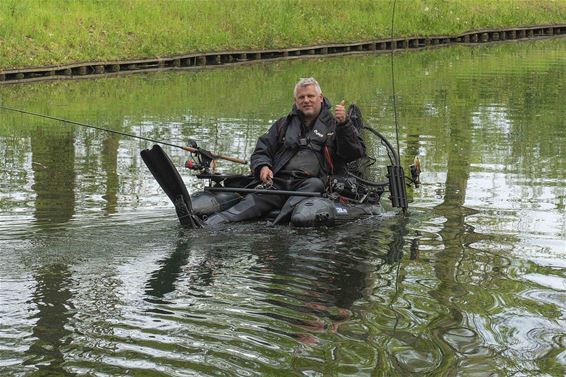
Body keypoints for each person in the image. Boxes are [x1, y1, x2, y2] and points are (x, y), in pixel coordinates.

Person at [204, 77, 365, 226]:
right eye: (301, 97)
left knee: (314, 184)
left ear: (320, 98)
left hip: (313, 184)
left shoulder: (335, 124)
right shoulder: (283, 124)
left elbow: (354, 153)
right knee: (245, 205)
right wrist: (263, 167)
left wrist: (344, 124)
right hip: (279, 183)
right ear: (296, 101)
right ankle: (208, 225)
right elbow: (262, 150)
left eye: (310, 96)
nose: (306, 100)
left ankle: (277, 226)